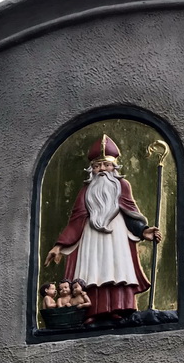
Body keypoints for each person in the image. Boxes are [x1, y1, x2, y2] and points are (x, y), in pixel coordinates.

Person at [44, 134, 161, 322]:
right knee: (92, 272)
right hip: (91, 238)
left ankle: (119, 309)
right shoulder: (86, 190)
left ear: (114, 167)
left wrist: (143, 230)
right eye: (97, 166)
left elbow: (131, 211)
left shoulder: (122, 186)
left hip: (117, 237)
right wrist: (59, 246)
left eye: (106, 165)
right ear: (92, 169)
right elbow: (76, 220)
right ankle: (91, 312)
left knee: (117, 271)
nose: (102, 170)